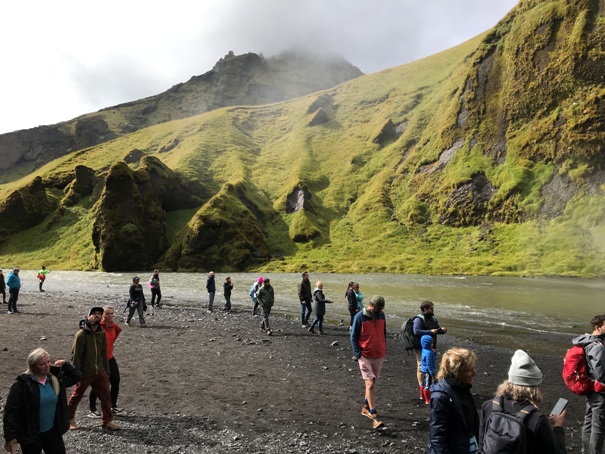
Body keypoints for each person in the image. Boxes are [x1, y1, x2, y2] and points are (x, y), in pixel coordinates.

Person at [479, 349, 566, 454]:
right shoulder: (536, 419)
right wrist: (558, 427)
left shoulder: (488, 406)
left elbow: (482, 445)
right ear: (534, 388)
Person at [3, 348, 81, 454]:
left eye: (48, 362)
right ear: (33, 366)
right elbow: (10, 412)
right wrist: (10, 438)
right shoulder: (22, 386)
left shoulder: (55, 380)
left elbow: (76, 376)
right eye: (42, 364)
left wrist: (66, 364)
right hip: (31, 435)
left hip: (53, 432)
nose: (47, 365)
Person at [67, 307, 121, 431]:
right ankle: (69, 419)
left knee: (105, 396)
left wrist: (106, 371)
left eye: (98, 314)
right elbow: (76, 356)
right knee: (77, 395)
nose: (96, 316)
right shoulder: (81, 335)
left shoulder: (101, 333)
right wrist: (76, 375)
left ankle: (107, 421)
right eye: (93, 314)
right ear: (88, 316)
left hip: (100, 371)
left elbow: (104, 353)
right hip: (85, 372)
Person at [428, 347, 479, 454]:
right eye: (471, 370)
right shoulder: (441, 397)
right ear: (459, 371)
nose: (475, 373)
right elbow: (437, 438)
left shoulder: (463, 388)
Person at [350, 295, 387, 430]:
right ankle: (373, 414)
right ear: (372, 305)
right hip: (365, 355)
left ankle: (365, 406)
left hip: (379, 354)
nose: (380, 311)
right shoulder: (360, 317)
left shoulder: (382, 315)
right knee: (370, 383)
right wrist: (358, 354)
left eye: (381, 309)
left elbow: (383, 333)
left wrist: (384, 347)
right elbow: (353, 336)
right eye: (378, 308)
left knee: (373, 382)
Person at [573, 314, 605, 454]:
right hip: (600, 390)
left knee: (589, 421)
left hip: (589, 386)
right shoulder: (597, 346)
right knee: (598, 426)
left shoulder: (586, 341)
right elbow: (600, 373)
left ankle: (586, 450)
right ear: (598, 327)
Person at [89, 306, 123, 418]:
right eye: (107, 314)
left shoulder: (113, 326)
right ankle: (92, 409)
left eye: (111, 314)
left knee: (115, 380)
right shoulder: (98, 326)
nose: (109, 316)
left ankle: (113, 406)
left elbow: (118, 331)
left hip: (109, 357)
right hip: (99, 359)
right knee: (99, 384)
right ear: (102, 315)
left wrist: (110, 346)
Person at [413, 300, 447, 399]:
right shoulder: (418, 319)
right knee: (421, 368)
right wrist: (429, 331)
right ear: (425, 309)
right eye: (431, 308)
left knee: (430, 366)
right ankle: (422, 390)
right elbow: (416, 331)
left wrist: (442, 330)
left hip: (431, 346)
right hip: (421, 347)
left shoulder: (433, 319)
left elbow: (436, 330)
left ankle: (428, 389)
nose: (433, 310)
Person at [420, 335, 437, 405]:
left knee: (424, 383)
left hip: (424, 370)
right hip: (427, 371)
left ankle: (422, 396)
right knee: (427, 384)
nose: (432, 344)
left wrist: (434, 352)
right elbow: (429, 364)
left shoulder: (424, 350)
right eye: (431, 343)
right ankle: (427, 399)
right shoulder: (429, 353)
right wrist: (432, 372)